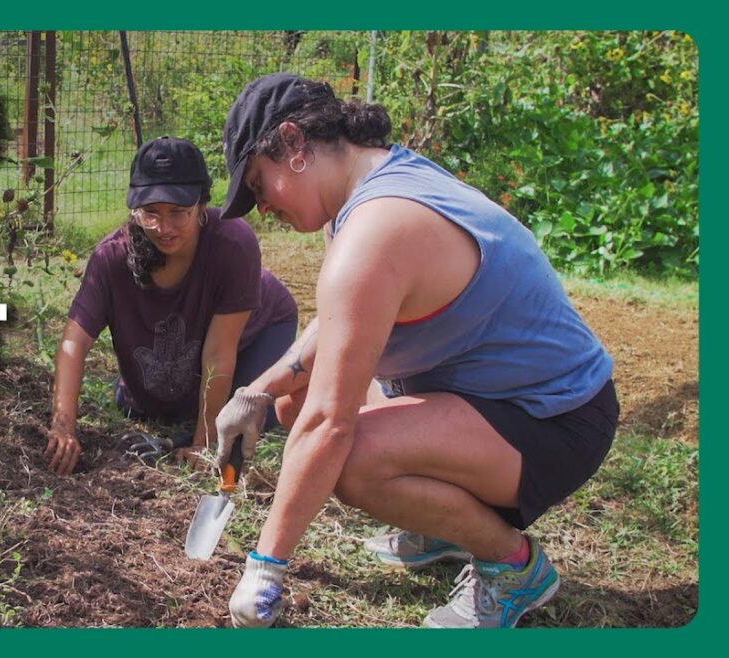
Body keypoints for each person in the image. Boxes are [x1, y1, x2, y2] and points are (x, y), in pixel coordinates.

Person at [213, 73, 619, 629]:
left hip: (554, 419)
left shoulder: (378, 230)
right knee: (293, 402)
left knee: (348, 458)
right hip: (487, 395)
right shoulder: (365, 190)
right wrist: (258, 392)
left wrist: (265, 568)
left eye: (259, 186)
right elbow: (340, 324)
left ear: (294, 144)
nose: (261, 208)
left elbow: (331, 424)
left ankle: (514, 569)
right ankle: (441, 524)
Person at [44, 136, 298, 476]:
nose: (164, 228)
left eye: (179, 213)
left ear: (202, 204)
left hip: (257, 330)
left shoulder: (233, 243)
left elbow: (219, 353)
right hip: (183, 350)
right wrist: (63, 426)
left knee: (243, 421)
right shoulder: (112, 257)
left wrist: (203, 443)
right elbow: (74, 344)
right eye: (150, 214)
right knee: (148, 408)